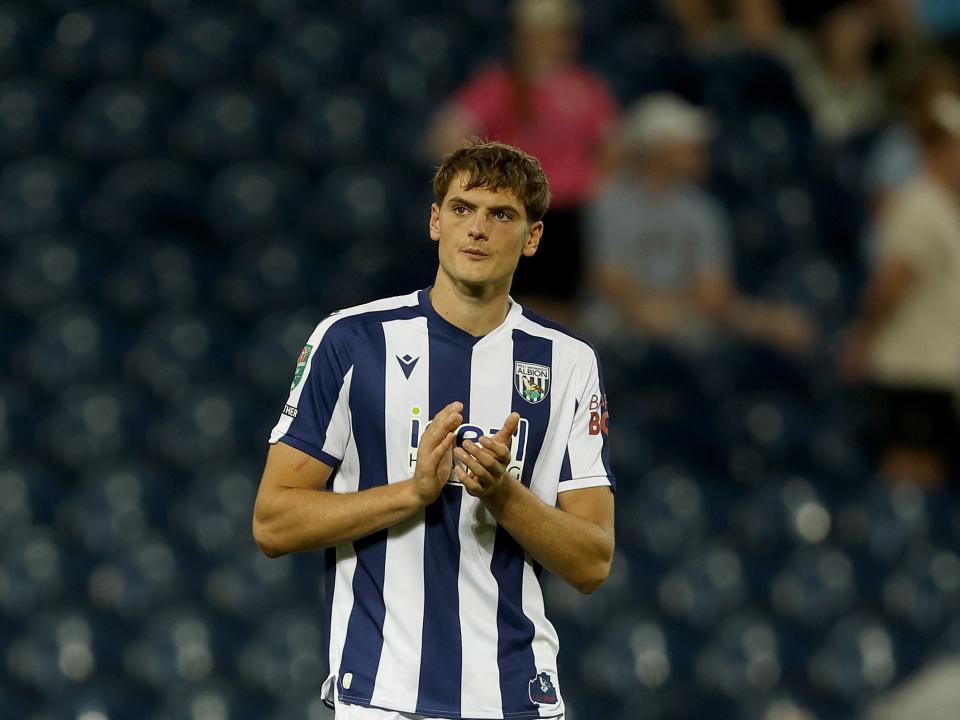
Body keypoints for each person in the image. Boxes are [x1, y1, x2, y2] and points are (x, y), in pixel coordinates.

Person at [252, 140, 615, 720]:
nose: (478, 229)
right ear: (434, 221)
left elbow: (592, 562)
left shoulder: (568, 363)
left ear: (533, 237)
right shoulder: (350, 342)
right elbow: (272, 522)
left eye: (502, 214)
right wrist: (412, 493)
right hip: (383, 695)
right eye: (463, 208)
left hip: (518, 695)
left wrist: (504, 494)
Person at [426, 0, 620, 327]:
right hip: (510, 209)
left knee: (560, 310)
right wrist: (481, 183)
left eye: (557, 34)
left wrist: (592, 183)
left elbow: (613, 143)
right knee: (501, 298)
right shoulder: (501, 84)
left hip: (564, 213)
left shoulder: (584, 88)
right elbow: (448, 132)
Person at [587, 93, 815, 355]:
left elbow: (713, 291)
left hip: (686, 321)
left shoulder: (704, 210)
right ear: (659, 149)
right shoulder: (609, 200)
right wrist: (647, 308)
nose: (700, 153)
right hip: (618, 320)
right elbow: (609, 278)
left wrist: (671, 311)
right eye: (689, 146)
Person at [840, 90, 960, 488]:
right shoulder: (918, 205)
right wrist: (865, 334)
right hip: (912, 368)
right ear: (941, 148)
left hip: (936, 369)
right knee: (911, 477)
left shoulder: (942, 206)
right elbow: (892, 281)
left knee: (931, 475)